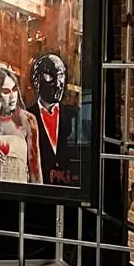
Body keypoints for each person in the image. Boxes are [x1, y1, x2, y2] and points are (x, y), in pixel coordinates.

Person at [27, 53, 80, 187]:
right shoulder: (26, 117)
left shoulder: (75, 116)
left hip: (69, 191)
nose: (58, 84)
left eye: (61, 76)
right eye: (49, 76)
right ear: (36, 80)